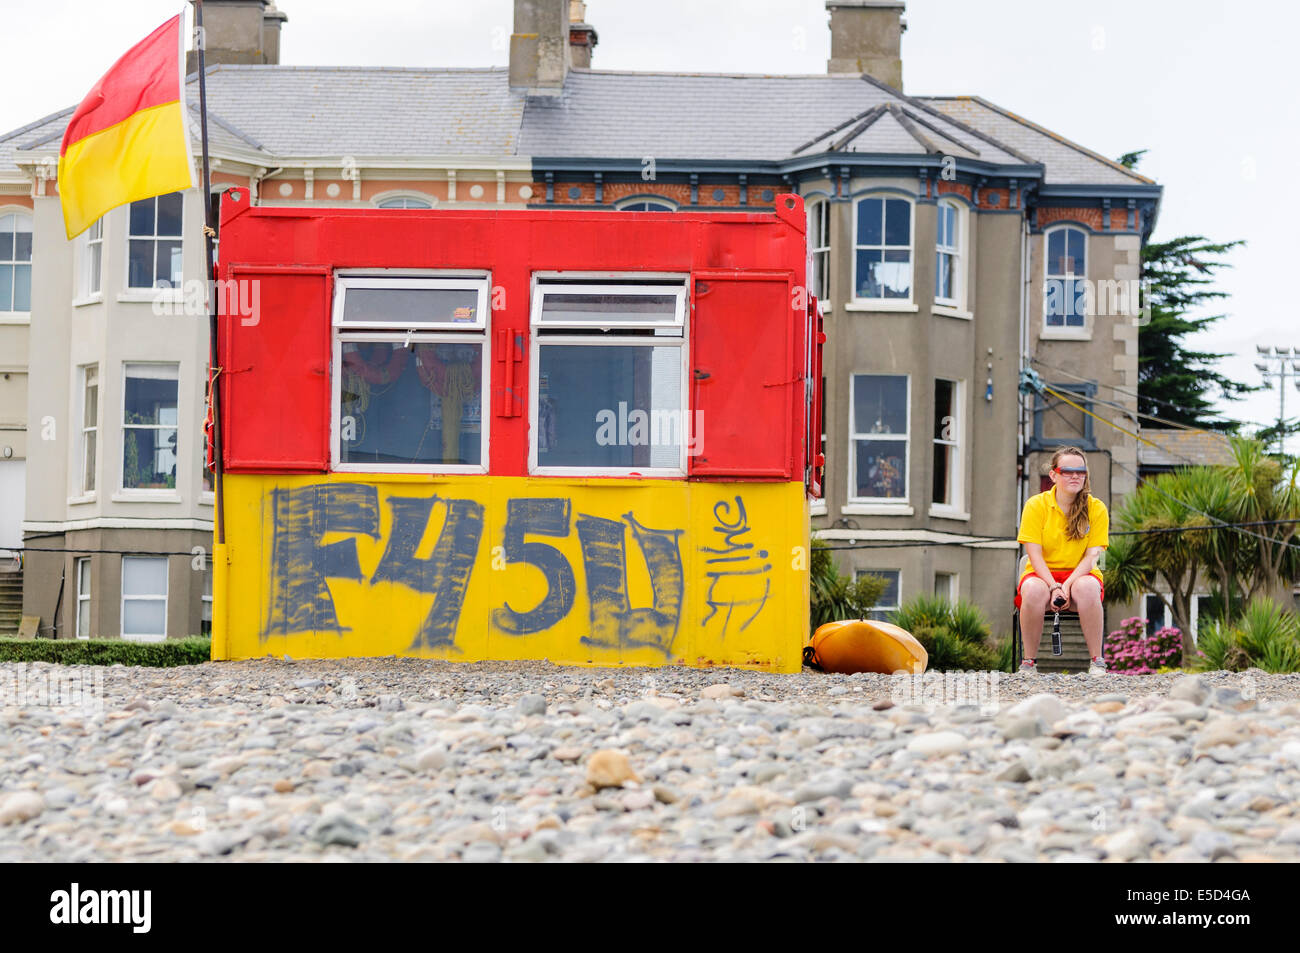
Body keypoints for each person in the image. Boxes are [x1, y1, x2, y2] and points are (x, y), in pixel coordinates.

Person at [1015, 446, 1109, 675]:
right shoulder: (1036, 505)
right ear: (1054, 475)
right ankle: (1029, 663)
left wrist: (1065, 586)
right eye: (1068, 471)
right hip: (1041, 574)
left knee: (1087, 588)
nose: (1075, 475)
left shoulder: (1096, 508)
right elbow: (1033, 554)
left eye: (1081, 471)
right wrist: (1053, 585)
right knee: (1032, 589)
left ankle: (1097, 662)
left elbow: (1093, 556)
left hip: (1080, 575)